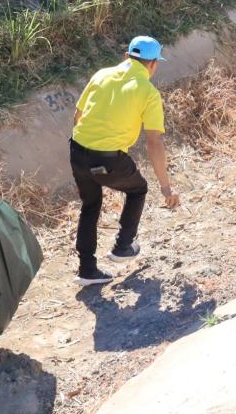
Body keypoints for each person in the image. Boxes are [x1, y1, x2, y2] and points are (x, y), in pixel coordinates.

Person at [69, 36, 180, 286]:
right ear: (153, 64)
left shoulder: (101, 74)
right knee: (138, 189)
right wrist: (165, 186)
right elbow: (154, 142)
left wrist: (88, 149)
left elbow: (78, 115)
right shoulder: (148, 92)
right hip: (108, 158)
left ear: (127, 57)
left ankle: (86, 269)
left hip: (77, 150)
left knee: (90, 205)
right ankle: (123, 246)